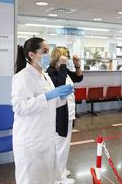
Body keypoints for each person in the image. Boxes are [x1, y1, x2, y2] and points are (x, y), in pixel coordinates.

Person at [12, 37, 74, 184]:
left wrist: (61, 97)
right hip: (30, 140)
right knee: (31, 179)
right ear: (32, 55)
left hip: (46, 138)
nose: (48, 55)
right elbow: (19, 107)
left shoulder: (44, 76)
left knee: (46, 178)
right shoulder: (22, 77)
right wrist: (46, 97)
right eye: (44, 51)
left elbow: (51, 103)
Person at [46, 47, 83, 184]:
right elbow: (60, 84)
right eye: (63, 55)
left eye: (67, 55)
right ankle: (59, 177)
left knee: (64, 144)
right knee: (60, 144)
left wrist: (77, 64)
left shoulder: (64, 70)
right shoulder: (51, 72)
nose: (66, 57)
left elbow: (78, 78)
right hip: (60, 113)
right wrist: (62, 65)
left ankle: (61, 169)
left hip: (69, 112)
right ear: (57, 56)